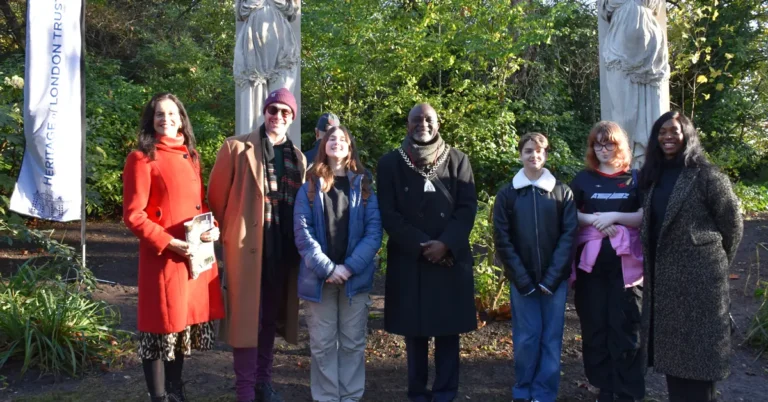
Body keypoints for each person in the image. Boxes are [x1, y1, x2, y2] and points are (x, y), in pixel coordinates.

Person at [123, 93, 225, 402]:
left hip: (192, 256)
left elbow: (201, 204)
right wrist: (168, 242)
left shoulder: (191, 155)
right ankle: (159, 396)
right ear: (150, 120)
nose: (165, 119)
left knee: (179, 327)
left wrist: (213, 229)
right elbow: (133, 214)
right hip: (163, 258)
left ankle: (176, 391)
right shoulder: (141, 158)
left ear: (181, 118)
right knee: (158, 328)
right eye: (158, 114)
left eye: (171, 113)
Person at [207, 88, 307, 402]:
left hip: (283, 249)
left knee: (268, 319)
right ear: (264, 112)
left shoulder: (297, 157)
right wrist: (231, 235)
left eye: (284, 112)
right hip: (248, 249)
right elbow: (216, 199)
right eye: (273, 110)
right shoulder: (236, 147)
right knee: (247, 319)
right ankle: (245, 390)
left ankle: (263, 383)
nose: (277, 117)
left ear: (292, 117)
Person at [638, 111, 743, 402]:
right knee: (675, 361)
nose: (668, 136)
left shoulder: (709, 176)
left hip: (701, 282)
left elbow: (732, 225)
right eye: (661, 131)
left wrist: (715, 267)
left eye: (674, 130)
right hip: (666, 283)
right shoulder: (652, 176)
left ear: (688, 135)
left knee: (698, 363)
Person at [377, 103, 478, 402]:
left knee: (448, 333)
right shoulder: (389, 163)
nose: (423, 123)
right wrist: (421, 245)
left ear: (439, 123)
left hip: (449, 258)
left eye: (429, 119)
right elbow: (389, 212)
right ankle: (417, 394)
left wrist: (445, 243)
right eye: (416, 119)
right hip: (411, 260)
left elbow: (467, 208)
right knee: (415, 333)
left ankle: (446, 393)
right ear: (408, 125)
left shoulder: (459, 161)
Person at [293, 125, 383, 402]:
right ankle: (327, 397)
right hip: (319, 279)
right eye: (332, 139)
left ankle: (351, 396)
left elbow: (374, 232)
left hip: (354, 279)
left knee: (353, 343)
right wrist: (328, 269)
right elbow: (302, 231)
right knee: (322, 344)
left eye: (342, 139)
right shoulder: (309, 187)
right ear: (323, 145)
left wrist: (349, 268)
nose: (337, 143)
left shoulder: (364, 186)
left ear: (350, 146)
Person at [493, 132, 578, 402]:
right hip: (523, 282)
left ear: (547, 155)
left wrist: (551, 278)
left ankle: (544, 395)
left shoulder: (562, 192)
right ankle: (523, 392)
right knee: (527, 340)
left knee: (551, 340)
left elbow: (569, 237)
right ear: (520, 154)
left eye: (540, 151)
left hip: (554, 283)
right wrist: (522, 278)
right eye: (529, 150)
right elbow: (502, 239)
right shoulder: (508, 194)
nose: (534, 155)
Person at [569, 122, 644, 402]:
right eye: (597, 145)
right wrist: (594, 221)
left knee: (625, 327)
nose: (602, 149)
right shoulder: (583, 180)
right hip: (592, 271)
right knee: (595, 327)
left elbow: (643, 215)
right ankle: (604, 388)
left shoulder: (635, 178)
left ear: (619, 146)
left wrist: (614, 217)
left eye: (608, 144)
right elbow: (569, 214)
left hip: (627, 271)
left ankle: (627, 392)